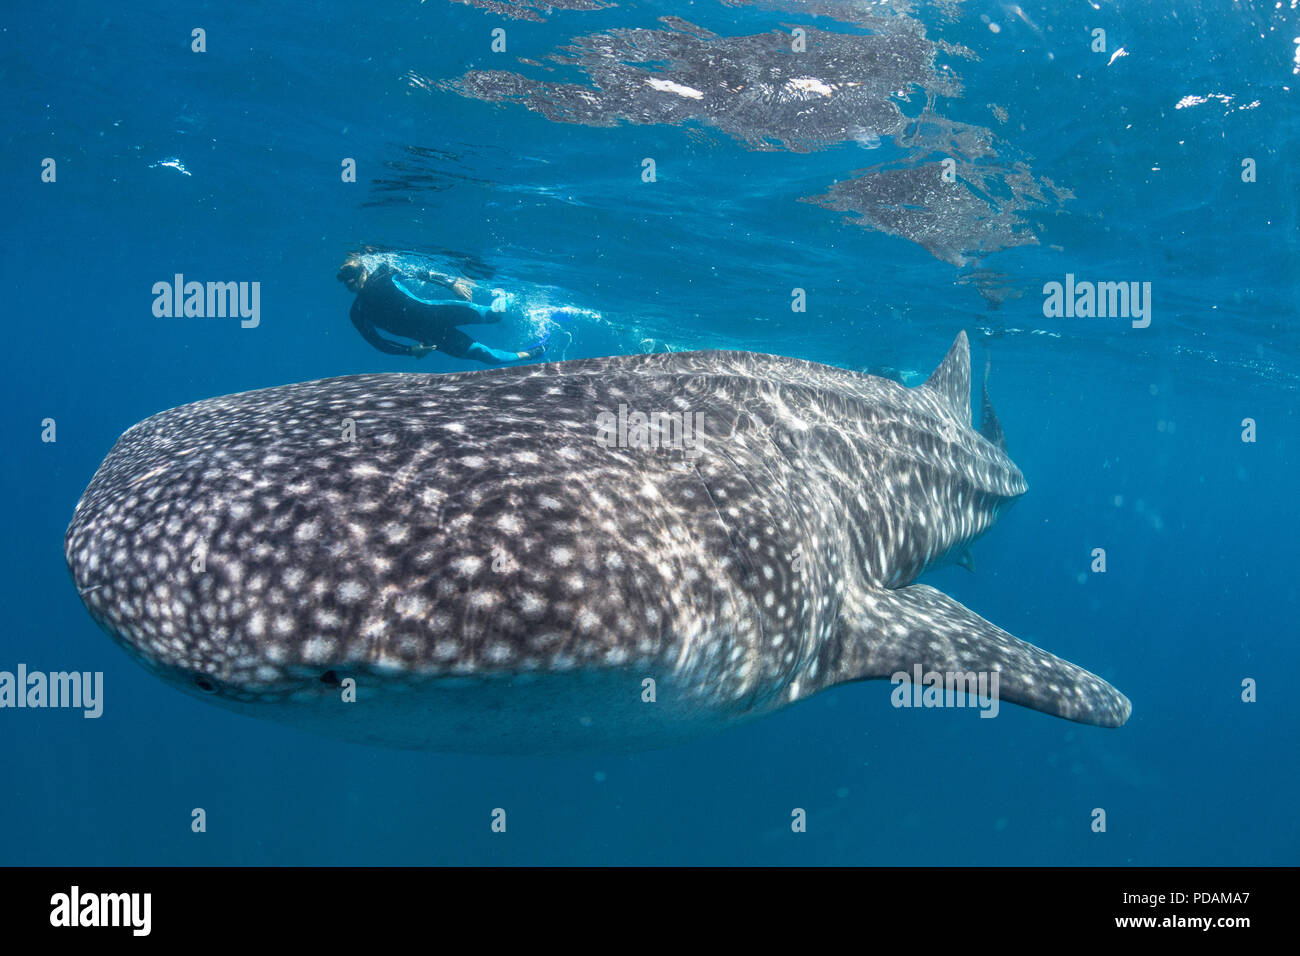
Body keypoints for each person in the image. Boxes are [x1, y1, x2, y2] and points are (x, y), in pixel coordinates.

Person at [338, 257, 547, 364]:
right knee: (489, 357)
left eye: (354, 277)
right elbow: (377, 342)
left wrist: (451, 283)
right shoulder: (357, 312)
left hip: (440, 312)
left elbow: (420, 273)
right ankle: (530, 354)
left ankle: (507, 296)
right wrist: (410, 351)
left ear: (364, 270)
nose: (352, 284)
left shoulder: (384, 271)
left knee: (494, 315)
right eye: (347, 282)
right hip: (431, 337)